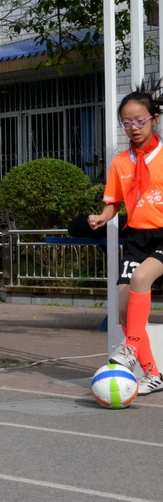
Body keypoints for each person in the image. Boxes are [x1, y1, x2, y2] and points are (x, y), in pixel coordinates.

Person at [89, 85, 163, 395]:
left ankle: (129, 347)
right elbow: (114, 201)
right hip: (136, 236)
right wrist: (103, 216)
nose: (133, 128)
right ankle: (153, 374)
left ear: (154, 120)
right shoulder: (121, 162)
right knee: (123, 308)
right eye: (126, 122)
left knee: (141, 277)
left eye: (139, 121)